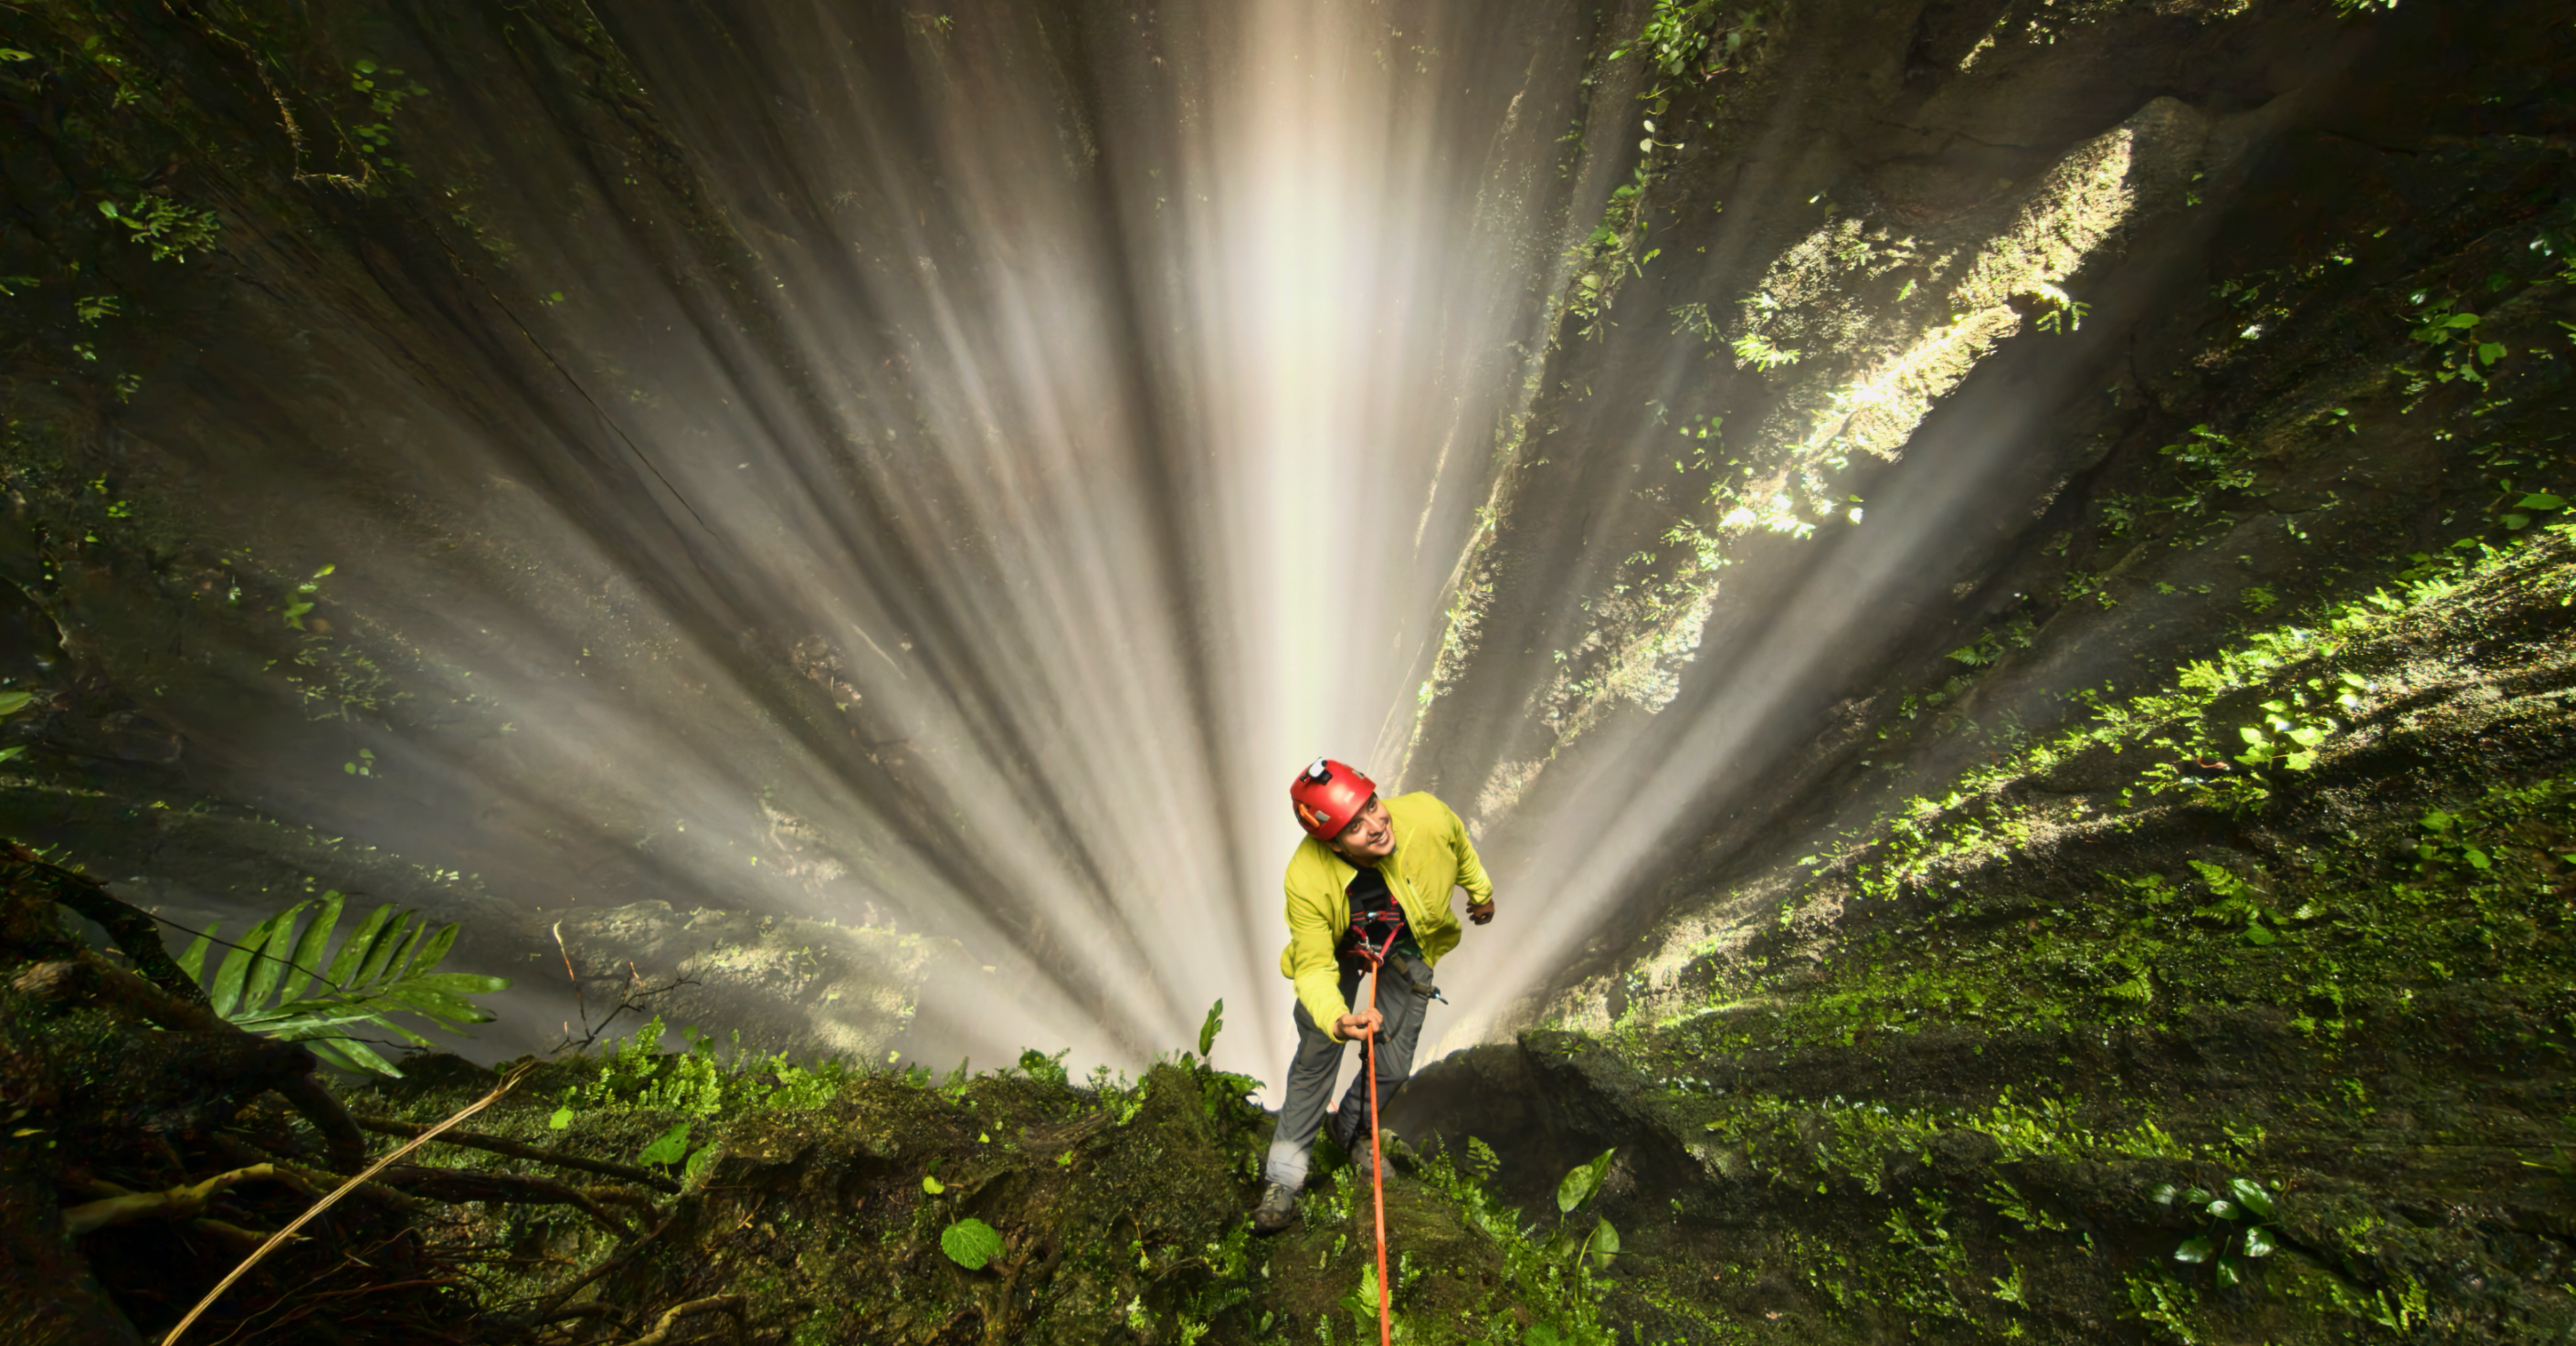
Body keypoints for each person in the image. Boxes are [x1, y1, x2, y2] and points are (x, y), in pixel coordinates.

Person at [1251, 757, 1494, 1233]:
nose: (1376, 825)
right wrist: (1339, 1020)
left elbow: (1459, 843)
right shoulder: (1307, 877)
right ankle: (1284, 1179)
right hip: (1340, 945)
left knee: (1394, 1064)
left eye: (1373, 806)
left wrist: (1480, 892)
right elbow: (1316, 967)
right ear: (1331, 840)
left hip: (1408, 942)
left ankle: (1354, 1131)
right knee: (1318, 1055)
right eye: (1355, 825)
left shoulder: (1425, 815)